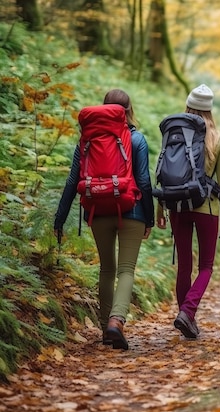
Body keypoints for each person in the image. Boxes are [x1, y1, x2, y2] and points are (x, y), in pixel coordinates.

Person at [54, 89, 154, 350]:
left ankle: (104, 328)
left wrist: (60, 217)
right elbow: (143, 180)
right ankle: (116, 322)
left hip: (97, 208)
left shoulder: (87, 140)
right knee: (126, 270)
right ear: (128, 109)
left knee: (107, 269)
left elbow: (72, 180)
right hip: (131, 209)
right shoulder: (136, 139)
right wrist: (150, 218)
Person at [156, 84, 220, 339]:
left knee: (184, 265)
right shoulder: (219, 140)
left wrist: (159, 208)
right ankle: (187, 312)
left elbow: (163, 171)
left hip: (175, 203)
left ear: (188, 106)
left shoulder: (172, 133)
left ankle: (186, 316)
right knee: (206, 266)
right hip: (207, 207)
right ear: (210, 110)